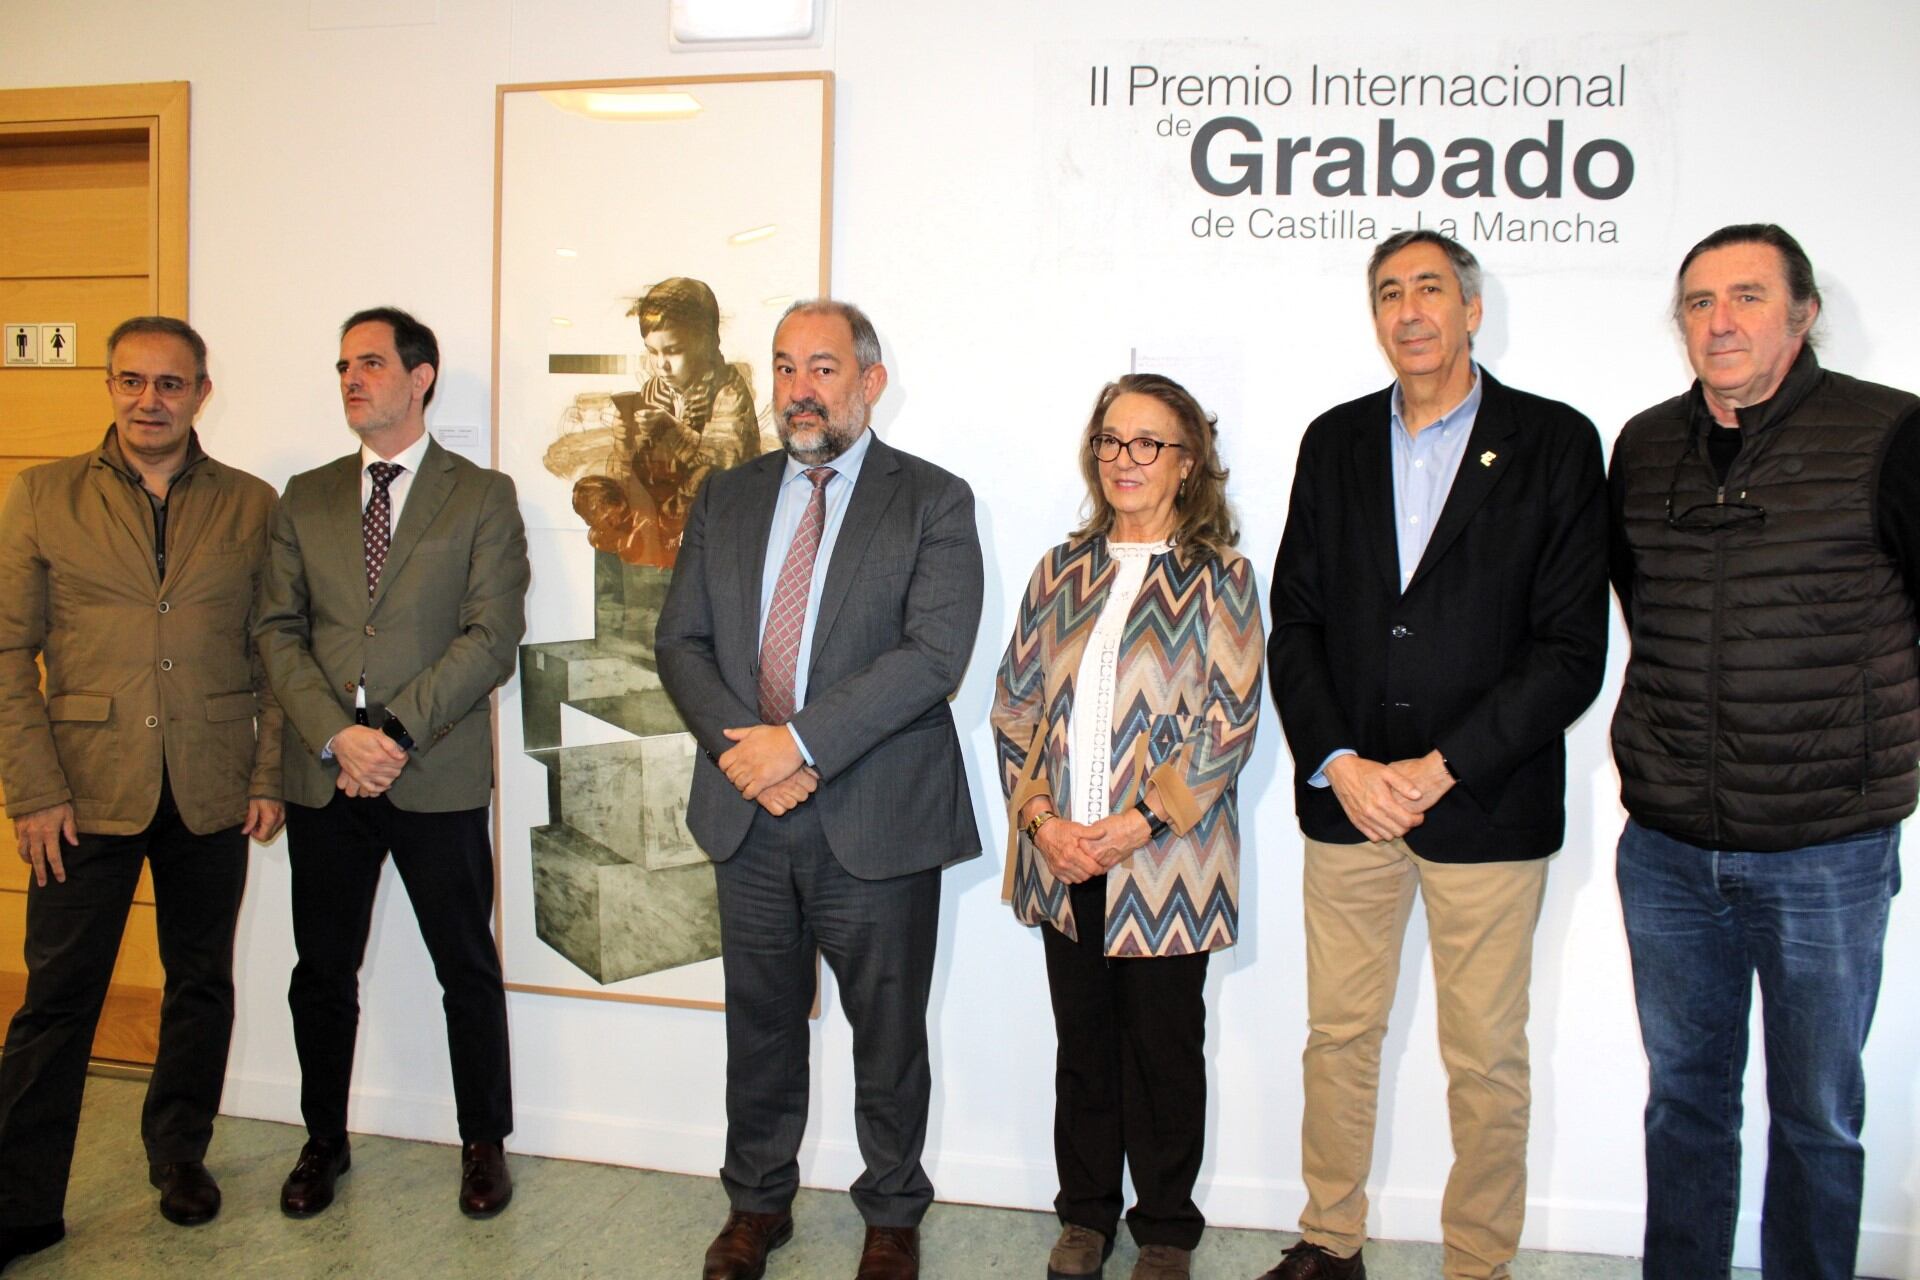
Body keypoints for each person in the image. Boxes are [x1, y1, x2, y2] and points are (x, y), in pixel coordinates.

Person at [1263, 230, 1608, 1280]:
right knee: (1339, 1039)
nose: (1408, 310)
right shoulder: (1333, 441)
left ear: (1471, 308)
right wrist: (1338, 758)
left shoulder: (1551, 440)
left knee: (1487, 1061)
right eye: (1388, 294)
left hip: (1486, 801)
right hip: (1351, 803)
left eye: (1429, 290)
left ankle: (1478, 1262)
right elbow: (1298, 622)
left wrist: (1443, 765)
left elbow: (1570, 651)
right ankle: (1330, 1241)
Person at [1608, 224, 1917, 1280]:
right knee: (1684, 1104)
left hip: (1826, 850)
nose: (1720, 320)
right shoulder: (1644, 445)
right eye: (1699, 301)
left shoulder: (1891, 433)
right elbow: (1640, 605)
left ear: (1803, 312)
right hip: (1667, 851)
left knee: (1816, 1114)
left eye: (1746, 296)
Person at [655, 299, 982, 1280]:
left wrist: (797, 745)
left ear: (868, 382)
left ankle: (891, 1211)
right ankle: (757, 1202)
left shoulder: (933, 499)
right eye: (786, 366)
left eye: (824, 367)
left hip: (877, 814)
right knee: (759, 1025)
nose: (800, 387)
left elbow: (934, 656)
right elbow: (682, 641)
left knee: (888, 1032)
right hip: (749, 815)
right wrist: (748, 755)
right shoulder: (728, 494)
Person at [0, 317, 283, 1267]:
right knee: (56, 1002)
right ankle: (19, 1200)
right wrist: (33, 791)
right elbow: (8, 653)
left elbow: (274, 649)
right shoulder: (42, 495)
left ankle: (180, 1158)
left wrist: (269, 770)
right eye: (131, 382)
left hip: (208, 786)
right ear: (109, 387)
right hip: (79, 794)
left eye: (169, 384)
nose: (148, 401)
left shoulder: (250, 504)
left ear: (202, 391)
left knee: (199, 985)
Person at [255, 306, 530, 1221]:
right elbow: (276, 631)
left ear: (422, 377)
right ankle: (322, 1142)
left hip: (435, 773)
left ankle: (483, 1143)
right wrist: (339, 737)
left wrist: (394, 736)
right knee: (321, 972)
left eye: (370, 363)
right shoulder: (307, 494)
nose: (351, 380)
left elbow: (492, 637)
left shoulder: (482, 495)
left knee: (466, 966)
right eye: (342, 366)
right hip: (326, 775)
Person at [992, 374, 1263, 1280]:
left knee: (1164, 1055)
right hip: (1064, 859)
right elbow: (1014, 708)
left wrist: (1133, 825)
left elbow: (1228, 723)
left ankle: (1165, 1232)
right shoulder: (1060, 570)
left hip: (1166, 864)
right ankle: (1084, 1218)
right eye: (1111, 440)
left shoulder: (1221, 578)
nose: (1124, 459)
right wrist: (1041, 823)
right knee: (1085, 1047)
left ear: (1188, 464)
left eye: (1149, 443)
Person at [545, 276, 762, 567]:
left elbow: (725, 462)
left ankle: (651, 537)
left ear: (705, 344)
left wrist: (671, 431)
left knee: (701, 482)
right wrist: (625, 444)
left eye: (673, 351)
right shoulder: (653, 389)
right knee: (590, 490)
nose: (662, 364)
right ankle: (633, 537)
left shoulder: (728, 389)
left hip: (713, 517)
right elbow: (631, 475)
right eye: (653, 351)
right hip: (658, 512)